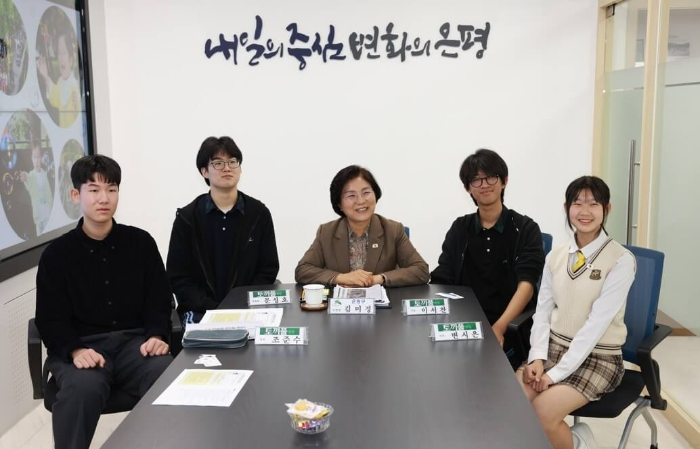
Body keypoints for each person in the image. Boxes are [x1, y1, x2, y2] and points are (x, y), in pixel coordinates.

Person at [34, 155, 173, 449]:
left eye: (111, 189)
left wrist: (157, 334)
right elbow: (50, 318)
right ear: (76, 195)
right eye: (94, 190)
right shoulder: (57, 255)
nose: (104, 198)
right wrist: (74, 350)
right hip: (83, 348)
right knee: (83, 388)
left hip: (135, 345)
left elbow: (160, 299)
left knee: (168, 374)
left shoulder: (140, 243)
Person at [517, 176, 635, 449]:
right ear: (566, 208)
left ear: (606, 209)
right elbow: (542, 311)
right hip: (553, 349)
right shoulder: (556, 256)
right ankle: (569, 444)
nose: (585, 211)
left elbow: (595, 326)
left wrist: (555, 375)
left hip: (598, 357)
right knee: (513, 404)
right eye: (577, 203)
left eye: (593, 204)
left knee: (543, 413)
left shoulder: (621, 260)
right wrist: (537, 357)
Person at [430, 149, 544, 363]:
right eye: (476, 180)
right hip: (464, 325)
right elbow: (443, 276)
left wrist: (499, 328)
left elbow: (527, 286)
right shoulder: (460, 228)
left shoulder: (525, 228)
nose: (484, 185)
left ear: (504, 181)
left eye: (491, 177)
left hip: (509, 327)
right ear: (468, 188)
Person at [167, 136, 279, 325]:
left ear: (240, 168)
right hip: (200, 312)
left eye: (232, 162)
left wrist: (238, 304)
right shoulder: (187, 218)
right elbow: (178, 276)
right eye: (218, 163)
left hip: (248, 310)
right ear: (204, 171)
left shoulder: (259, 214)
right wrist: (215, 308)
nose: (227, 168)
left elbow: (268, 268)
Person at [295, 165, 429, 287]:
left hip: (381, 305)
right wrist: (341, 278)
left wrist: (378, 279)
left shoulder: (393, 230)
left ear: (375, 195)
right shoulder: (326, 232)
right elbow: (302, 270)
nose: (360, 201)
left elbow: (421, 270)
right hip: (340, 304)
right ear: (339, 204)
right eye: (351, 195)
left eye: (366, 193)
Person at [37, 32, 81, 127]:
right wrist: (45, 76)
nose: (60, 57)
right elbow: (54, 97)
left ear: (71, 60)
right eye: (58, 53)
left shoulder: (75, 88)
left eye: (64, 52)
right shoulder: (60, 81)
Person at [20, 142, 54, 234]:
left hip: (47, 213)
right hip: (38, 216)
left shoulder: (44, 173)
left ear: (41, 158)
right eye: (34, 157)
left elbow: (48, 193)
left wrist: (50, 206)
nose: (37, 160)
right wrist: (24, 176)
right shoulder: (32, 175)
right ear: (31, 159)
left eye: (38, 157)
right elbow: (28, 178)